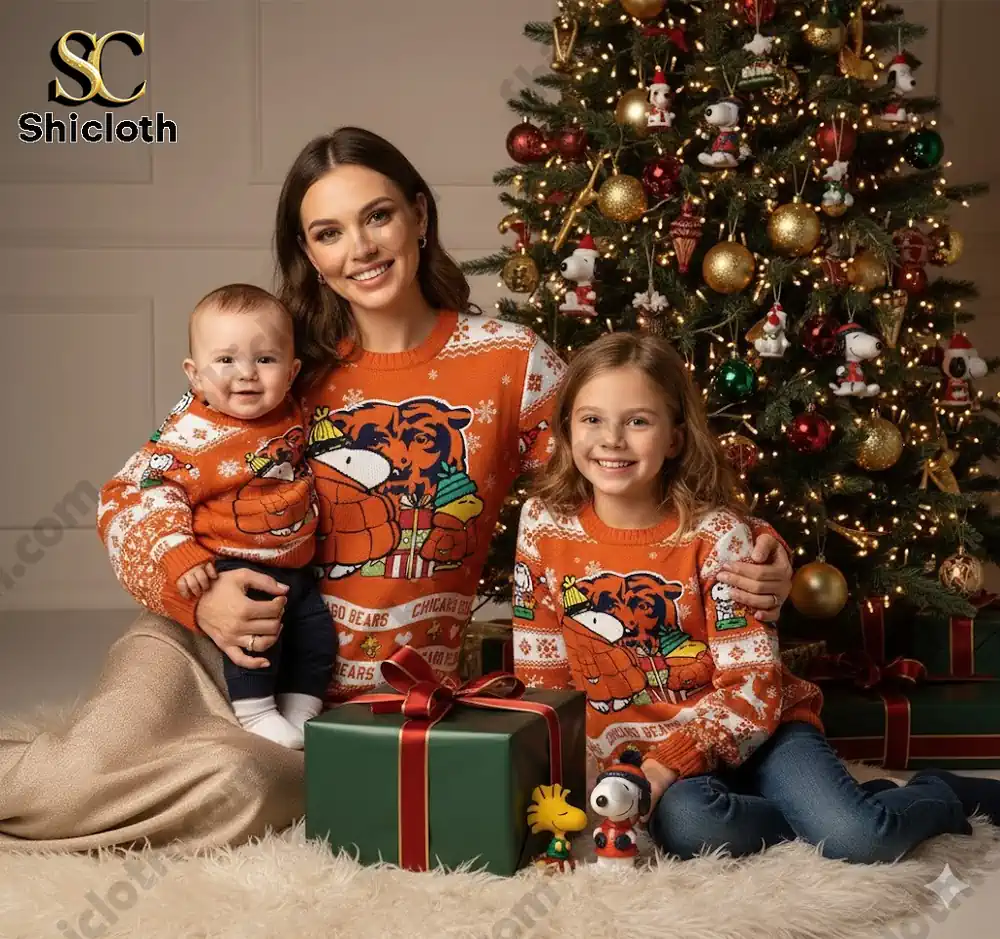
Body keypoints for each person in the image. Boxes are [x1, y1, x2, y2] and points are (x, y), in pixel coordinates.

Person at [0, 127, 792, 852]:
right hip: (202, 644)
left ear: (418, 214)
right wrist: (197, 600)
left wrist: (757, 547)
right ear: (309, 254)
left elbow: (632, 469)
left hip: (363, 716)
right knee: (78, 771)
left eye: (377, 216)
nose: (360, 248)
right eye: (328, 232)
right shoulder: (276, 365)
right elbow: (133, 492)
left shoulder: (509, 363)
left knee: (236, 790)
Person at [512, 330, 1000, 864]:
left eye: (638, 420)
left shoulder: (718, 537)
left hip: (764, 731)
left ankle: (936, 796)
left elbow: (753, 688)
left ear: (675, 437)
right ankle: (833, 810)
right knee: (691, 827)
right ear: (565, 428)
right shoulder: (542, 525)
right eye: (592, 419)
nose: (612, 440)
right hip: (662, 769)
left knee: (861, 839)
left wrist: (665, 764)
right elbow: (545, 680)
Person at [119, 283, 334, 749]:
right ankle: (256, 713)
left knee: (316, 635)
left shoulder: (294, 412)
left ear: (293, 370)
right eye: (226, 360)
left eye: (266, 360)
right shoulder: (190, 435)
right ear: (195, 375)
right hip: (234, 562)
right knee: (259, 640)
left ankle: (302, 710)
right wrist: (178, 553)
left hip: (295, 564)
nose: (247, 375)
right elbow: (153, 492)